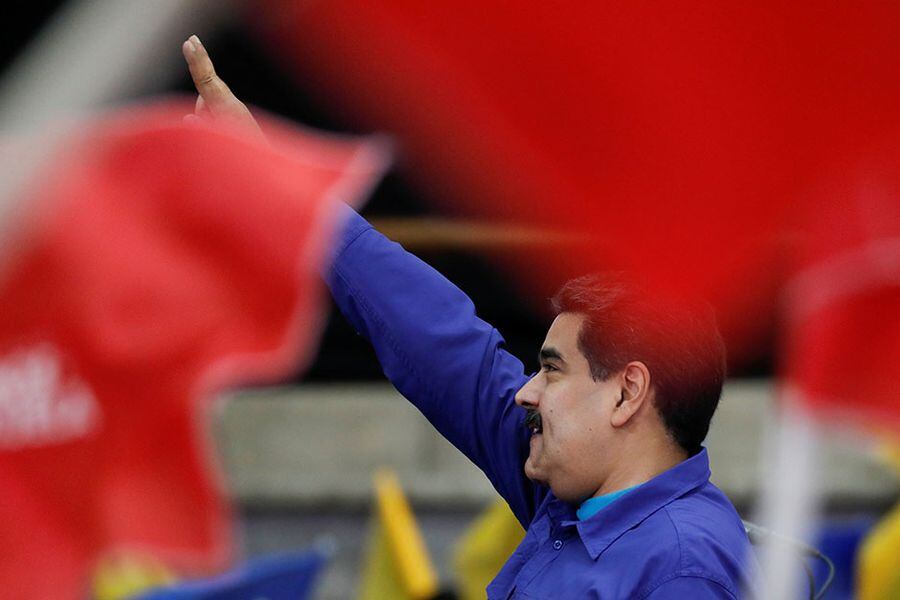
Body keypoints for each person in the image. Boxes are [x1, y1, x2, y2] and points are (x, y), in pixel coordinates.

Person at [182, 35, 755, 598]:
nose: (526, 393)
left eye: (553, 371)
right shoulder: (577, 497)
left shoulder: (682, 569)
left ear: (628, 393)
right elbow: (443, 344)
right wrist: (289, 200)